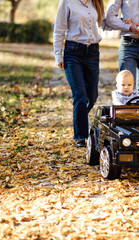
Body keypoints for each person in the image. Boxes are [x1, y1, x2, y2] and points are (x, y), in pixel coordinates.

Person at [53, 0, 104, 148]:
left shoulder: (97, 2)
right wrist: (58, 55)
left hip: (93, 52)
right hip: (73, 52)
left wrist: (125, 23)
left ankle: (79, 116)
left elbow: (105, 23)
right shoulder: (67, 2)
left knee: (92, 96)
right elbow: (59, 29)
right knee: (80, 95)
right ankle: (81, 136)